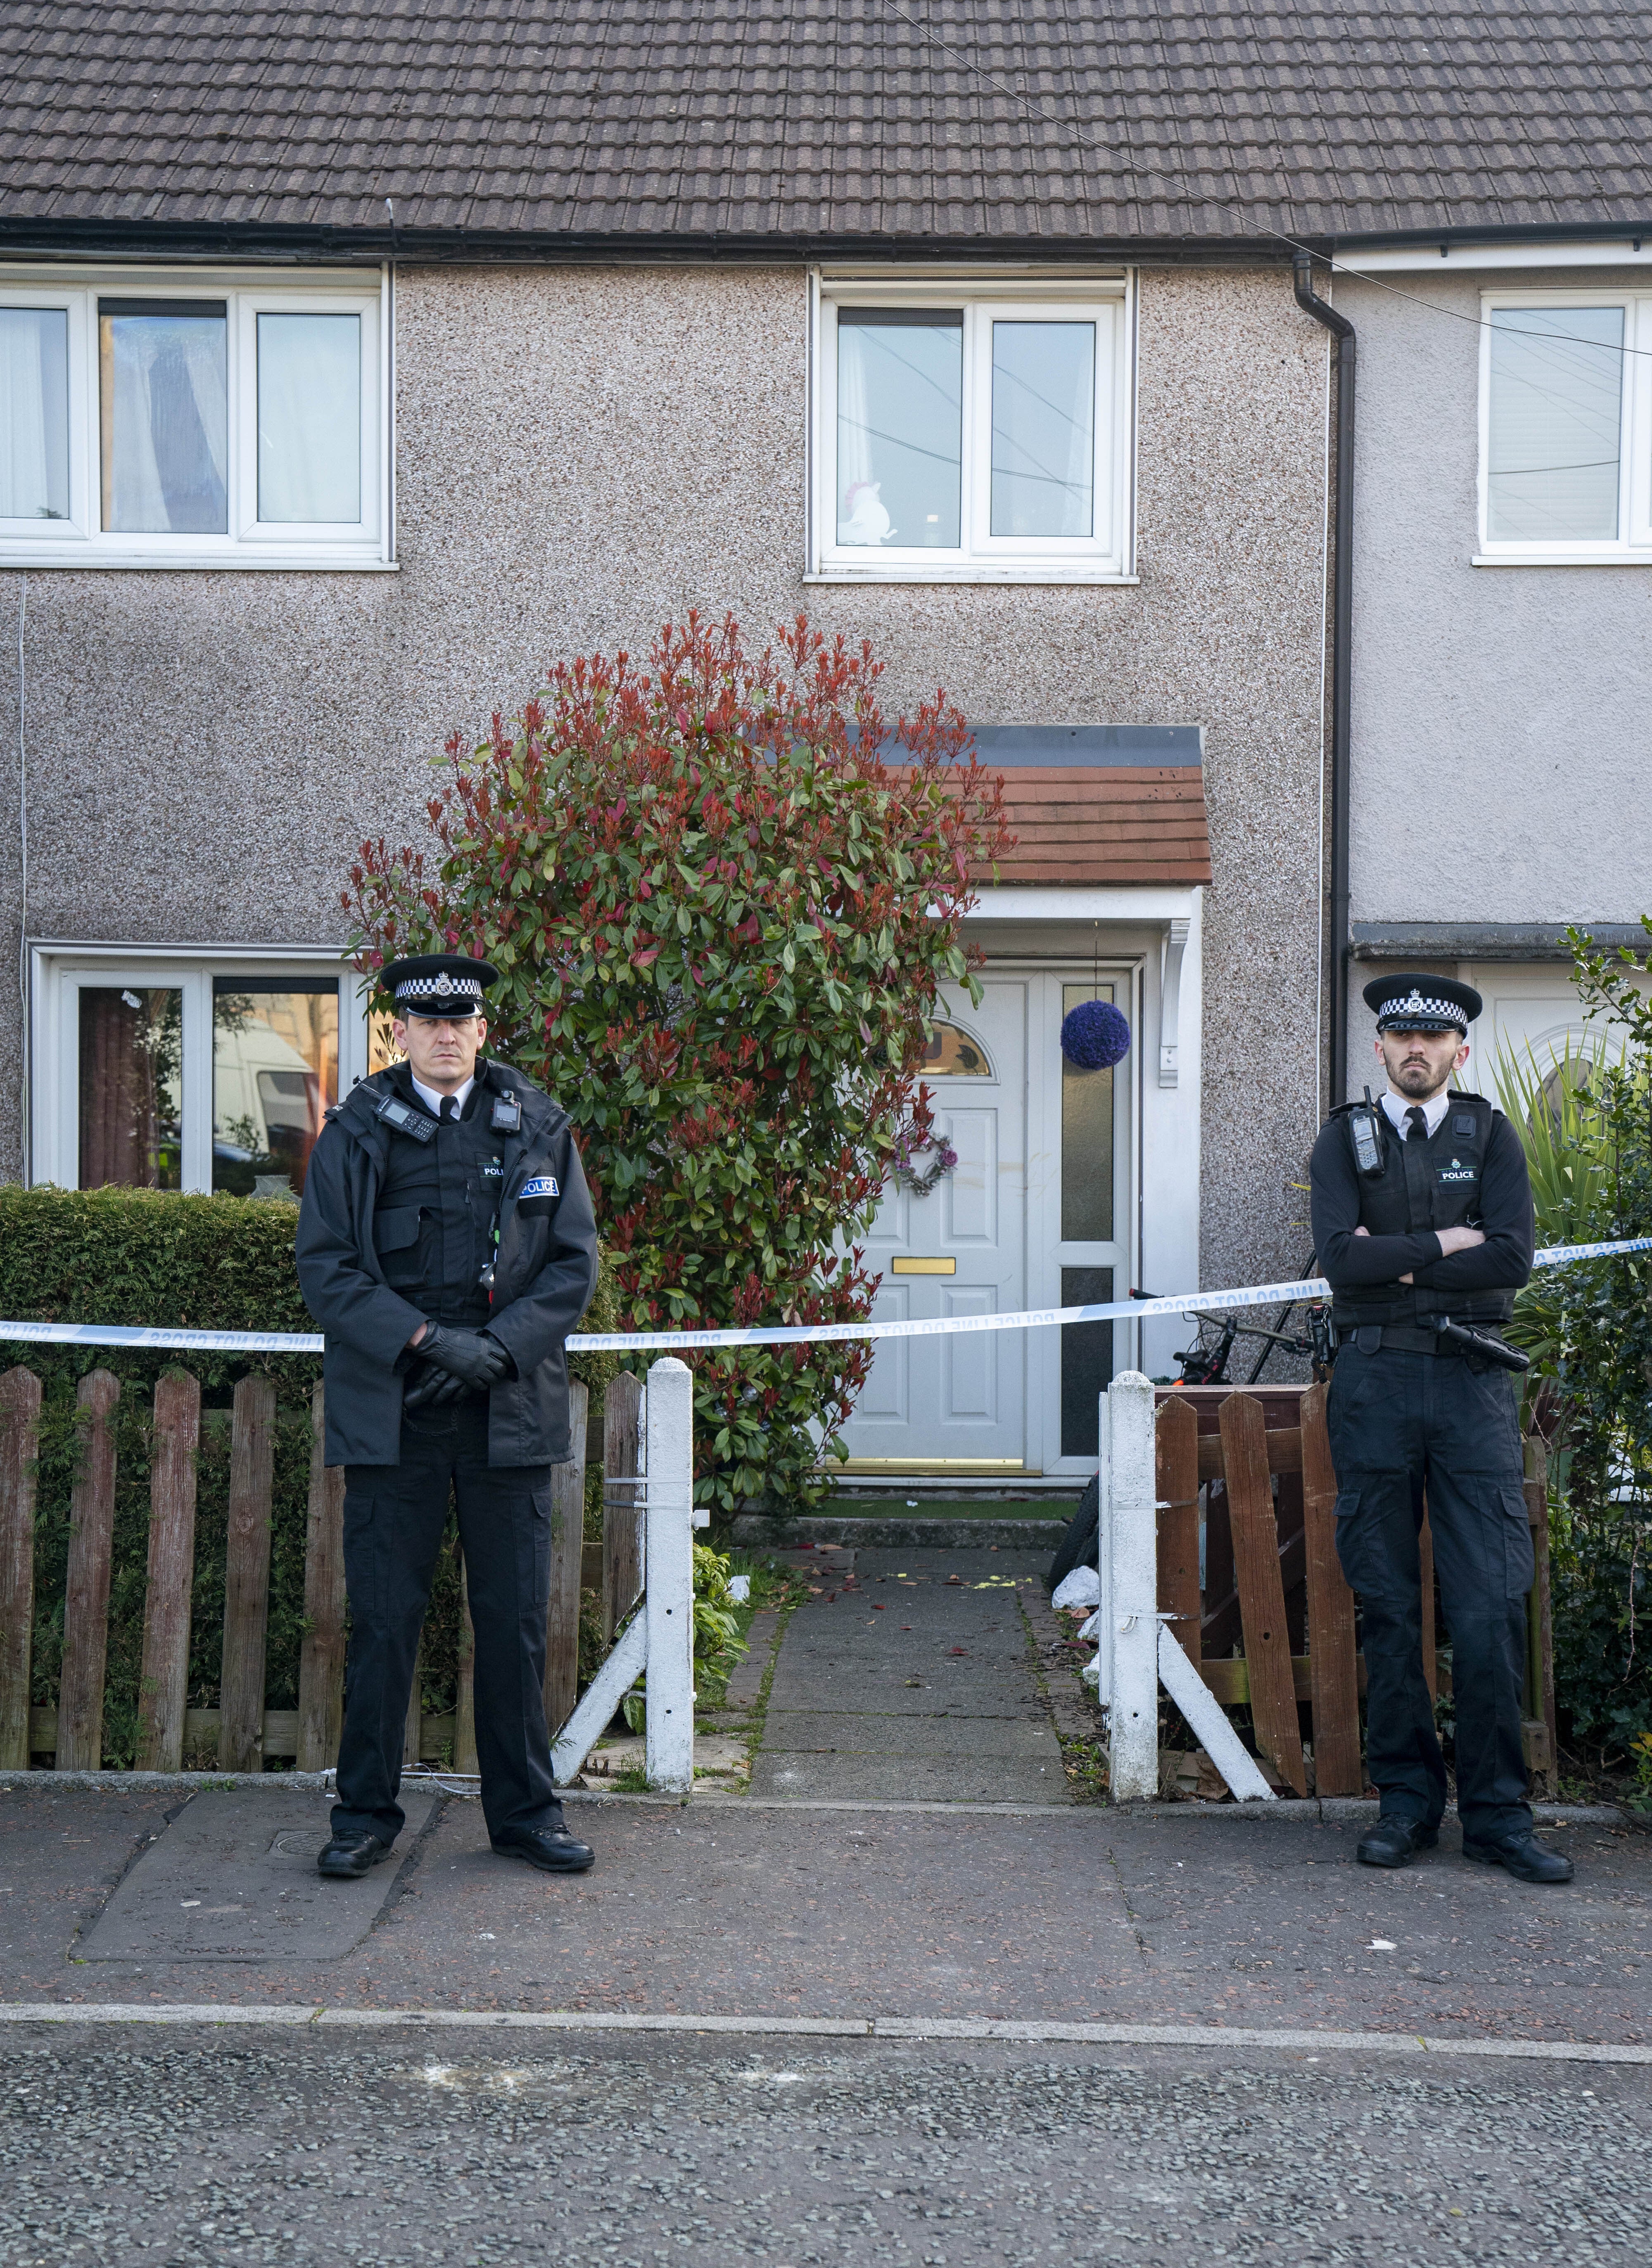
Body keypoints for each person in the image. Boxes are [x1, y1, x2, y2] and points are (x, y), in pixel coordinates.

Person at [296, 953, 601, 1879]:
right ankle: (363, 1815)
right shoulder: (356, 1130)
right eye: (424, 1020)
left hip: (505, 1409)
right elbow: (329, 1267)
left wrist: (494, 1350)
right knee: (385, 1618)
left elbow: (570, 1265)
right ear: (397, 1029)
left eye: (459, 1019)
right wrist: (432, 1341)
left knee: (511, 1621)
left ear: (481, 1026)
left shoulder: (538, 1125)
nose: (444, 1034)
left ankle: (525, 1816)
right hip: (398, 1411)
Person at [1308, 972, 1571, 1884]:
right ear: (1378, 1047)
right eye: (1398, 1037)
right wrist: (1441, 1247)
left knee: (1488, 1602)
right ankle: (1406, 1805)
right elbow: (1340, 1263)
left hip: (1468, 1384)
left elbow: (1510, 1259)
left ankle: (1498, 1815)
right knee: (1385, 1601)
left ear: (1458, 1050)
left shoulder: (1489, 1133)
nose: (1415, 1050)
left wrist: (1403, 1265)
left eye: (1433, 1039)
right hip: (1374, 1380)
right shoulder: (1342, 1138)